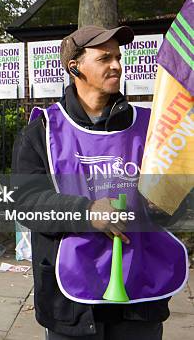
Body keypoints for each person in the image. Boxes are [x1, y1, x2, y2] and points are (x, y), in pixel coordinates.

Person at [11, 25, 188, 340]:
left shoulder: (151, 128)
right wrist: (87, 211)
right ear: (75, 67)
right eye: (105, 57)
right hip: (72, 305)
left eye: (118, 57)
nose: (117, 65)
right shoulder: (42, 131)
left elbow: (176, 204)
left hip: (139, 299)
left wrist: (163, 202)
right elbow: (26, 203)